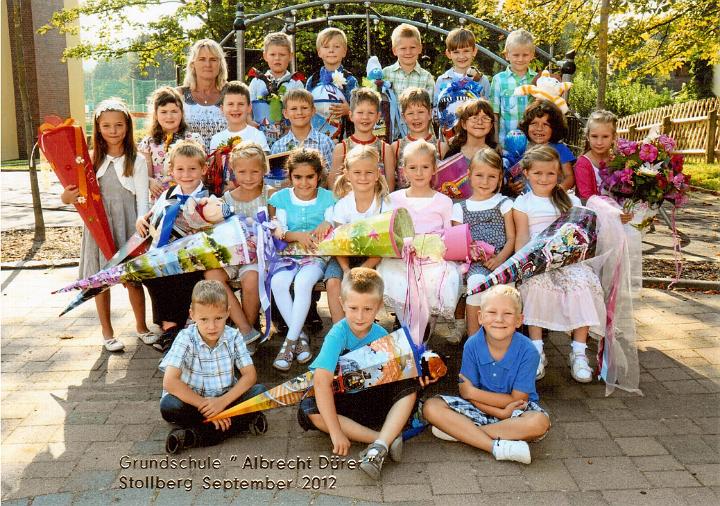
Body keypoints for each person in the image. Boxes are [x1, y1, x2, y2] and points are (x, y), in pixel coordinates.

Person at [298, 268, 431, 480]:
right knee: (308, 409)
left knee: (410, 385)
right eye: (353, 308)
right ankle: (384, 440)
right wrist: (335, 432)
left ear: (379, 307)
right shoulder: (337, 335)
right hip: (345, 407)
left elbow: (396, 374)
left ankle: (380, 445)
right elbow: (321, 383)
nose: (360, 317)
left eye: (367, 309)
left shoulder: (382, 334)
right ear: (342, 304)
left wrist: (417, 374)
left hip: (375, 402)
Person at [422, 285, 551, 465]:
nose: (499, 319)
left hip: (516, 413)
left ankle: (463, 433)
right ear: (480, 317)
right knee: (431, 407)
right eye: (491, 312)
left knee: (539, 422)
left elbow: (518, 400)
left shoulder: (529, 351)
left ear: (519, 320)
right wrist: (497, 411)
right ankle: (496, 446)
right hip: (479, 408)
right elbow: (465, 393)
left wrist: (479, 397)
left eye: (507, 313)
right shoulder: (472, 345)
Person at [61, 98, 151, 352]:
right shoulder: (88, 161)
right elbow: (72, 196)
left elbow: (142, 199)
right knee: (100, 281)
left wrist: (141, 224)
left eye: (119, 125)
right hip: (100, 227)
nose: (113, 131)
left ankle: (141, 327)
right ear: (98, 128)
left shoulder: (137, 161)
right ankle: (107, 332)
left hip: (129, 224)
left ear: (128, 126)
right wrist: (67, 196)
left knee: (132, 279)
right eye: (106, 126)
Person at [513, 145, 606, 382]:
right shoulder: (522, 203)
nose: (544, 179)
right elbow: (522, 236)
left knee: (583, 284)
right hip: (537, 261)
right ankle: (536, 351)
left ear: (559, 175)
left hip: (568, 260)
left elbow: (579, 233)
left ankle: (579, 352)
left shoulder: (570, 200)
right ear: (526, 173)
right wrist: (521, 266)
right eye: (538, 173)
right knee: (534, 286)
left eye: (550, 174)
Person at [159, 280, 267, 454]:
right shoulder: (185, 338)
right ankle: (239, 422)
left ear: (228, 313)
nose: (211, 326)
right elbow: (170, 382)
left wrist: (222, 402)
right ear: (192, 315)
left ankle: (192, 435)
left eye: (218, 318)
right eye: (204, 319)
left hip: (226, 399)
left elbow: (250, 376)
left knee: (260, 393)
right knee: (169, 405)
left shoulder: (233, 336)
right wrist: (207, 407)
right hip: (193, 403)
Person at [377, 140, 464, 342]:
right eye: (413, 167)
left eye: (425, 167)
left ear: (434, 169)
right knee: (397, 279)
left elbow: (448, 236)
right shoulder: (393, 199)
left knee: (437, 281)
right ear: (404, 170)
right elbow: (388, 233)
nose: (419, 173)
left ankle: (420, 340)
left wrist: (434, 248)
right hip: (401, 260)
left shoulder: (443, 202)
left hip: (433, 261)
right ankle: (412, 337)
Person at [135, 140, 210, 352]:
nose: (186, 174)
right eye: (180, 169)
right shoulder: (168, 194)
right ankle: (170, 327)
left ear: (203, 169)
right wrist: (141, 219)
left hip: (194, 255)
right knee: (151, 274)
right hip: (165, 252)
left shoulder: (208, 197)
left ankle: (174, 330)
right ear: (172, 170)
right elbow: (153, 215)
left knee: (183, 275)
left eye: (192, 169)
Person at [268, 148, 336, 371]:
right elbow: (279, 231)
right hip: (288, 255)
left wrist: (327, 223)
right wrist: (297, 235)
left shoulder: (328, 198)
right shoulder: (281, 199)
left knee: (303, 283)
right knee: (278, 283)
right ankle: (300, 337)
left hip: (316, 256)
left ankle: (288, 344)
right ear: (290, 177)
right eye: (298, 177)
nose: (304, 183)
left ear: (318, 176)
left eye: (310, 177)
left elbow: (332, 222)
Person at [203, 141, 270, 348]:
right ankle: (245, 329)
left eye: (254, 171)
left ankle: (247, 334)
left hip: (257, 257)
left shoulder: (270, 195)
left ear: (264, 170)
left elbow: (276, 227)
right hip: (232, 257)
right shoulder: (226, 199)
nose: (248, 177)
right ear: (232, 171)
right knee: (212, 275)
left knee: (251, 280)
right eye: (242, 172)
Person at [325, 145, 393, 323]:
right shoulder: (343, 205)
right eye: (357, 172)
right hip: (344, 257)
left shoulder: (385, 204)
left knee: (366, 286)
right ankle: (340, 329)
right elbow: (339, 243)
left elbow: (385, 245)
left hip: (375, 257)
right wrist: (347, 270)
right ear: (347, 174)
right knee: (333, 282)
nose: (363, 177)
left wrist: (363, 269)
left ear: (377, 174)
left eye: (368, 172)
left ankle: (363, 325)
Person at [452, 148, 515, 337]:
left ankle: (502, 337)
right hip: (475, 264)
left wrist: (500, 259)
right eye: (479, 175)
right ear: (469, 175)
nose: (485, 182)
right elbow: (459, 243)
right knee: (476, 284)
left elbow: (512, 238)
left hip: (502, 260)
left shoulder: (505, 203)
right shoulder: (460, 208)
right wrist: (472, 252)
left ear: (500, 178)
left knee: (505, 293)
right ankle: (473, 338)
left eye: (492, 176)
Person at [138, 86, 203, 203]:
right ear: (156, 114)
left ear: (181, 113)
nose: (169, 116)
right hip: (160, 200)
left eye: (174, 111)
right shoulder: (147, 143)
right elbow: (144, 174)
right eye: (164, 112)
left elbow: (201, 170)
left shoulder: (193, 139)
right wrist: (150, 181)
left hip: (189, 198)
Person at [329, 88, 396, 191]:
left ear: (378, 116)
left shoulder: (385, 149)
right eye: (360, 112)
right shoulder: (341, 148)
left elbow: (389, 188)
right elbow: (333, 186)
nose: (365, 117)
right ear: (351, 115)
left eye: (371, 113)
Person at [248, 32, 305, 148]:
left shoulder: (296, 83)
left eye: (282, 54)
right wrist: (250, 122)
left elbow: (303, 110)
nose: (277, 58)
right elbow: (247, 107)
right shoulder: (256, 82)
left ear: (290, 56)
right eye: (272, 54)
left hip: (289, 139)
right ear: (265, 56)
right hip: (261, 139)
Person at [305, 27, 359, 140]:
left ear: (344, 52)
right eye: (326, 47)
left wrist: (349, 110)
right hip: (315, 137)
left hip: (343, 138)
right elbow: (305, 106)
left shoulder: (350, 80)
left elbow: (360, 111)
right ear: (319, 52)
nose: (331, 50)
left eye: (336, 47)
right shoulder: (312, 80)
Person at [178, 39, 229, 150]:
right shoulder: (178, 95)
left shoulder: (232, 93)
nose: (208, 64)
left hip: (228, 159)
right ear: (193, 64)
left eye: (213, 59)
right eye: (202, 59)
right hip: (188, 159)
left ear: (220, 64)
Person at [489, 29, 537, 148]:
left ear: (532, 55)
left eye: (525, 55)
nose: (520, 59)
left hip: (532, 145)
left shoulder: (537, 80)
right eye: (516, 55)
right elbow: (494, 114)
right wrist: (496, 142)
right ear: (507, 55)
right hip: (505, 144)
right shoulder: (498, 80)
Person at [391, 87, 446, 189]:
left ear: (429, 114)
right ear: (403, 117)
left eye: (420, 112)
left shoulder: (441, 147)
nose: (416, 117)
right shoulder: (396, 147)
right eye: (410, 113)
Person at [519, 99, 576, 191]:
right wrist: (512, 187)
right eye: (534, 123)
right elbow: (516, 174)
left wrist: (557, 192)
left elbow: (569, 177)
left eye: (545, 124)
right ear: (526, 125)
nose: (539, 128)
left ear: (554, 128)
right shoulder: (521, 148)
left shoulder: (560, 149)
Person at [271, 88, 334, 170]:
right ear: (285, 113)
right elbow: (275, 176)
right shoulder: (278, 146)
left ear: (313, 110)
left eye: (304, 108)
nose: (299, 112)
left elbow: (332, 174)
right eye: (294, 109)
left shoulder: (325, 142)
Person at [434, 28, 490, 108]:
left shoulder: (482, 80)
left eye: (466, 51)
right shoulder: (442, 80)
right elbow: (436, 108)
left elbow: (487, 110)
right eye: (456, 52)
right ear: (448, 54)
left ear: (474, 51)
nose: (461, 56)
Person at [209, 81, 270, 152]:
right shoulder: (216, 139)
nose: (235, 108)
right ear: (222, 109)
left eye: (241, 104)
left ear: (249, 107)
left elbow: (264, 158)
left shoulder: (257, 136)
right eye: (230, 104)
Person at [574, 109, 621, 202]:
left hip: (619, 210)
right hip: (593, 209)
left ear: (614, 137)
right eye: (594, 136)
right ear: (588, 136)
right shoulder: (583, 164)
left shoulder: (619, 160)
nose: (599, 142)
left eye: (605, 136)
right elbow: (587, 198)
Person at [382, 23, 435, 103]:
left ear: (420, 48)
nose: (408, 52)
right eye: (403, 48)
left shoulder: (427, 78)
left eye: (412, 47)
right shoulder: (385, 74)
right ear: (394, 51)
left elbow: (430, 106)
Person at [444, 99, 498, 167]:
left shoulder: (496, 154)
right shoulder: (453, 155)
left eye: (485, 118)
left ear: (491, 125)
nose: (480, 122)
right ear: (464, 124)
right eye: (474, 118)